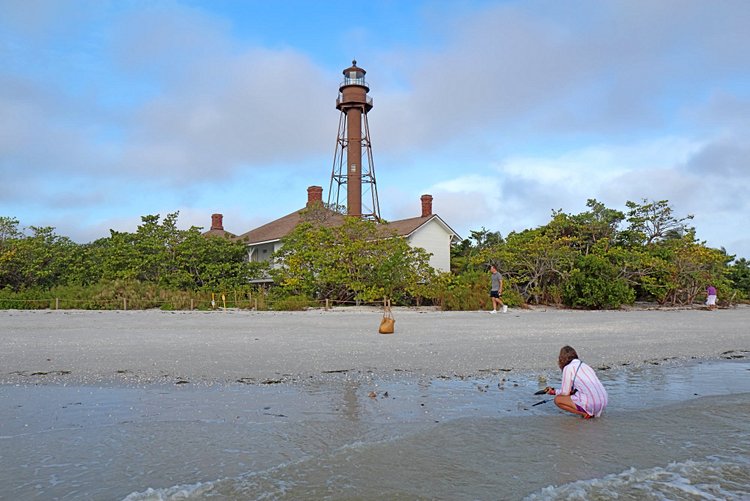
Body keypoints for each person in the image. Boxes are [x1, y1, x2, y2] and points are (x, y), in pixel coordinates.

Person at [542, 345, 607, 419]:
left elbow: (565, 392)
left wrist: (554, 392)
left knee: (558, 399)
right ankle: (590, 412)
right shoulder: (585, 365)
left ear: (562, 358)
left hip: (592, 403)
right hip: (604, 402)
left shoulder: (568, 367)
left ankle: (585, 414)